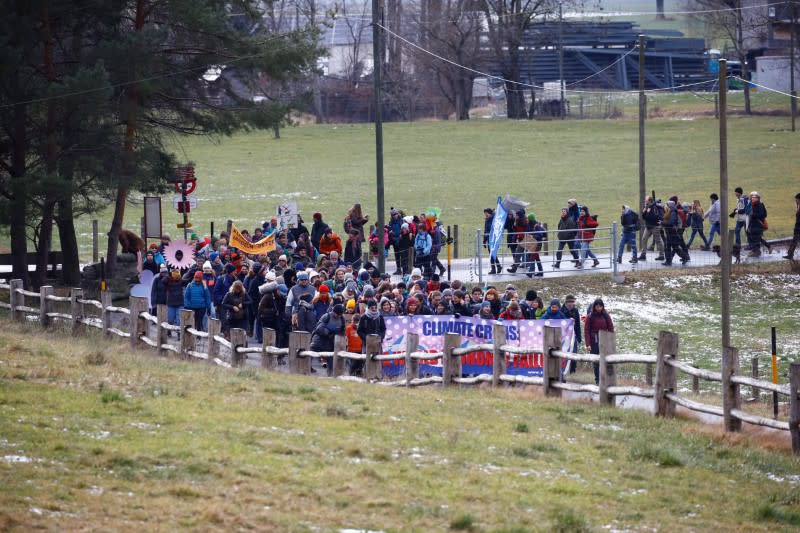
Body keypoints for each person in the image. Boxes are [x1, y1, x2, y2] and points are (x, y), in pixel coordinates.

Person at [310, 303, 346, 376]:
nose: (338, 316)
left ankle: (331, 375)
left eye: (340, 314)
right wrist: (328, 333)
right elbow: (318, 328)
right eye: (337, 314)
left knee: (331, 358)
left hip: (331, 342)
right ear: (334, 312)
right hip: (319, 340)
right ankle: (304, 369)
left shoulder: (342, 319)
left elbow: (342, 331)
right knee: (310, 354)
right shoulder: (327, 316)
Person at [584, 297, 614, 385]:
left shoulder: (606, 315)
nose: (598, 308)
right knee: (596, 361)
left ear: (602, 307)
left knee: (605, 360)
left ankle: (605, 378)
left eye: (600, 306)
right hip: (594, 341)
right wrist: (588, 344)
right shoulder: (590, 317)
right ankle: (597, 380)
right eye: (597, 306)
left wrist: (611, 340)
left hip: (604, 340)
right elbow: (586, 331)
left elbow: (610, 327)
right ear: (594, 307)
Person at [356, 299, 386, 376]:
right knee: (366, 360)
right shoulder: (364, 318)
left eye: (375, 307)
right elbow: (359, 330)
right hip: (367, 344)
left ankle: (378, 376)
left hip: (377, 343)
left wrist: (381, 338)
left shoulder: (380, 317)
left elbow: (383, 329)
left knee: (378, 359)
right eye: (372, 308)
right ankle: (367, 376)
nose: (374, 309)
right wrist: (366, 338)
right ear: (368, 308)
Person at [661, 200, 690, 266]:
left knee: (675, 248)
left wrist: (662, 223)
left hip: (672, 233)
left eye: (667, 205)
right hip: (669, 232)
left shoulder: (673, 212)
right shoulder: (670, 211)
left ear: (670, 206)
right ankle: (668, 261)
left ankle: (685, 257)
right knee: (668, 247)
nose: (666, 206)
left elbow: (671, 222)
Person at [638, 196, 665, 262]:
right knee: (644, 239)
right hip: (648, 227)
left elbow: (654, 217)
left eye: (646, 200)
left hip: (655, 227)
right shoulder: (647, 207)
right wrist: (644, 212)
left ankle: (661, 255)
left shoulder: (654, 207)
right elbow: (644, 217)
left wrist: (648, 212)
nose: (645, 201)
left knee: (658, 240)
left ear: (649, 200)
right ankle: (643, 255)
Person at [562, 295, 582, 374]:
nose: (571, 303)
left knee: (574, 352)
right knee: (564, 353)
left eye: (572, 302)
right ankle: (563, 371)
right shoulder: (562, 310)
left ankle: (573, 371)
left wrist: (579, 337)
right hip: (564, 336)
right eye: (569, 302)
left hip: (574, 336)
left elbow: (578, 325)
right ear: (566, 302)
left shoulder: (575, 311)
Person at [746, 191, 769, 257]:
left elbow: (762, 215)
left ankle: (757, 251)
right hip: (753, 223)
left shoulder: (759, 204)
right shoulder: (752, 204)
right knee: (754, 237)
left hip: (758, 224)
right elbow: (747, 211)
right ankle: (756, 251)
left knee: (755, 238)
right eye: (751, 197)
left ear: (757, 198)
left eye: (753, 197)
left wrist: (753, 215)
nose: (751, 198)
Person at [483, 208, 502, 275]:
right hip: (489, 239)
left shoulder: (495, 220)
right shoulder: (487, 220)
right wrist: (484, 240)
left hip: (494, 239)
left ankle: (495, 268)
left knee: (492, 254)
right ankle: (497, 267)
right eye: (485, 214)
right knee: (492, 254)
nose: (485, 215)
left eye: (486, 214)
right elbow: (485, 230)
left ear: (490, 213)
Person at [784, 193, 800, 260]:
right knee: (794, 241)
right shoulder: (798, 206)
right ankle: (790, 254)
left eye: (796, 200)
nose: (796, 201)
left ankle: (790, 254)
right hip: (797, 227)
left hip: (799, 227)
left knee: (794, 240)